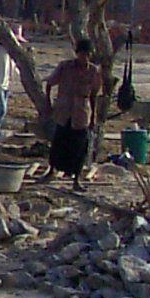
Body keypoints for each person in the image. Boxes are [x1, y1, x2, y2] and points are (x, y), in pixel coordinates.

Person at [44, 37, 103, 192]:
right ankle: (51, 171)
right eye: (82, 54)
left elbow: (94, 95)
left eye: (87, 54)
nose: (84, 57)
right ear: (77, 53)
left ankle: (76, 179)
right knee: (58, 144)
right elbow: (50, 83)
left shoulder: (93, 71)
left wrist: (93, 117)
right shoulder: (65, 67)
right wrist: (49, 104)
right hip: (64, 112)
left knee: (79, 148)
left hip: (81, 114)